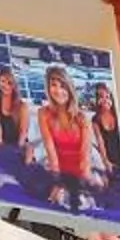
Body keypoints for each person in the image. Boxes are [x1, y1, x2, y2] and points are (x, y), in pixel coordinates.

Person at [35, 65, 91, 211]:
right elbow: (50, 150)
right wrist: (57, 182)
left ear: (69, 90)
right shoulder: (43, 113)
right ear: (48, 88)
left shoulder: (81, 118)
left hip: (79, 173)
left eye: (63, 86)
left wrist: (81, 185)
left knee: (80, 202)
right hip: (56, 170)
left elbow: (85, 158)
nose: (58, 91)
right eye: (54, 85)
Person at [86, 82, 120, 183]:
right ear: (97, 100)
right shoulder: (96, 120)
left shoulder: (118, 114)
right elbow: (101, 143)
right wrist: (106, 162)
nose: (105, 100)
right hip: (111, 160)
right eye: (101, 97)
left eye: (107, 97)